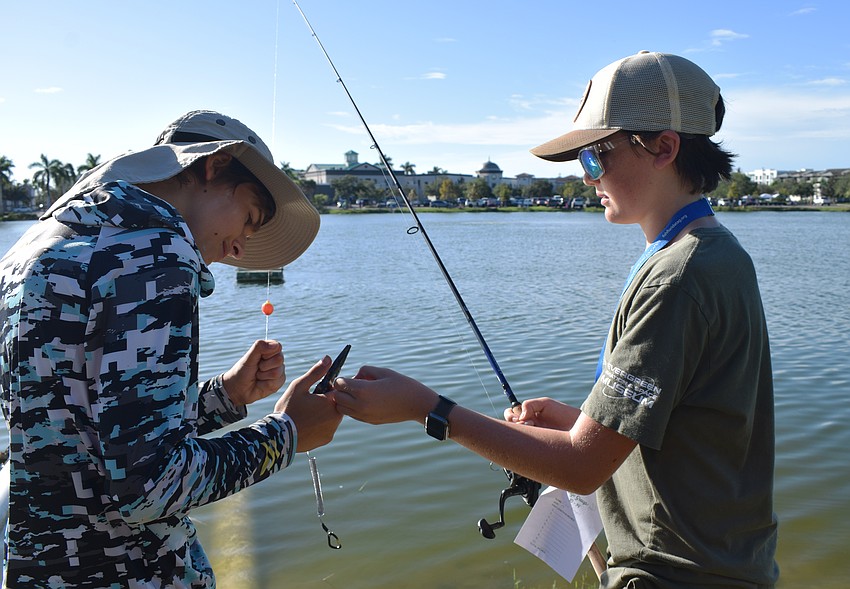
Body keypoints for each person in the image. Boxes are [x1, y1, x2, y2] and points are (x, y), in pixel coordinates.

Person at [331, 52, 779, 588]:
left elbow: (581, 467)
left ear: (664, 146)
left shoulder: (677, 277)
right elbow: (689, 427)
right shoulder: (716, 254)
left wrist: (426, 408)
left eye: (597, 157)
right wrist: (575, 421)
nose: (588, 177)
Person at [0, 110, 343, 587]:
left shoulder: (34, 249)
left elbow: (82, 431)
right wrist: (287, 433)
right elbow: (152, 487)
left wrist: (227, 395)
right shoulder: (155, 254)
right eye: (249, 219)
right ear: (213, 167)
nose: (241, 250)